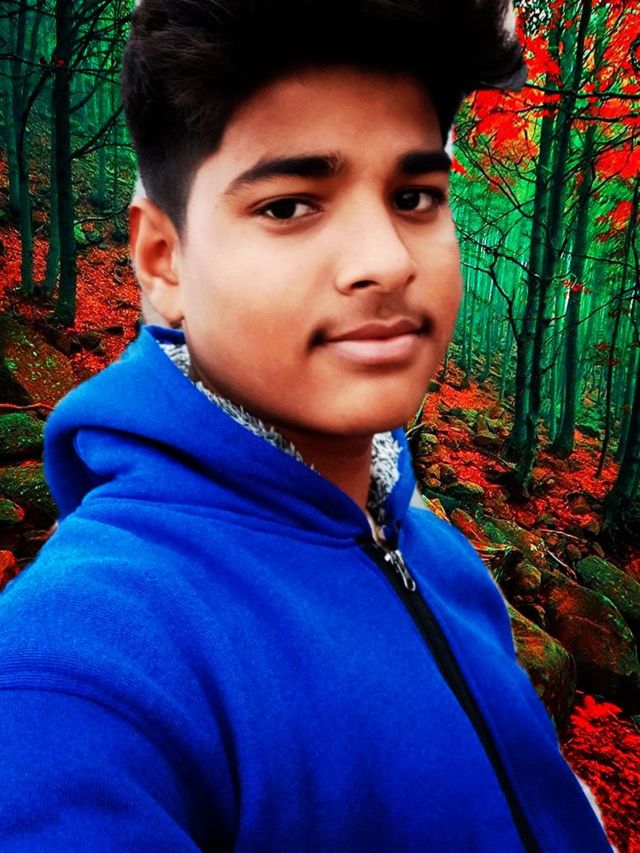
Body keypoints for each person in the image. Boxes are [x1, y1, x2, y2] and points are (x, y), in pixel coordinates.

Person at [0, 1, 614, 850]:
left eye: (414, 196)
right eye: (290, 206)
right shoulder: (83, 661)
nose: (386, 261)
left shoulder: (447, 562)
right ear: (162, 260)